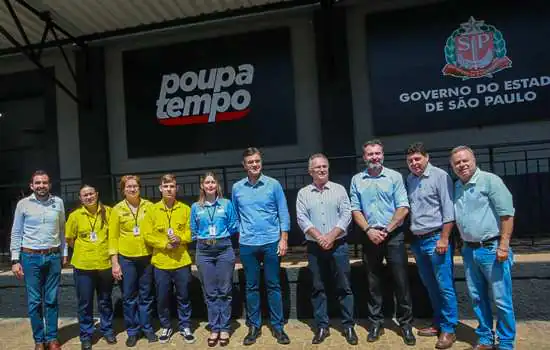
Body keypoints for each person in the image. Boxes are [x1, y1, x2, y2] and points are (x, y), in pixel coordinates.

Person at [350, 139, 416, 346]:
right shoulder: (356, 180)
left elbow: (403, 207)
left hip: (393, 235)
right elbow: (355, 209)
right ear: (364, 157)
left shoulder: (395, 177)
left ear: (383, 155)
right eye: (370, 154)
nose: (374, 157)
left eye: (377, 153)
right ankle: (376, 322)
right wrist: (369, 230)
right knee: (373, 282)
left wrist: (387, 230)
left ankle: (405, 324)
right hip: (369, 236)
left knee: (401, 281)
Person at [450, 145, 516, 350]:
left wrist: (504, 246)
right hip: (469, 251)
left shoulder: (490, 181)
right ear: (452, 167)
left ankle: (505, 343)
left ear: (474, 160)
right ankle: (486, 338)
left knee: (502, 300)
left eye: (465, 160)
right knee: (477, 298)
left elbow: (507, 214)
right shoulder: (457, 186)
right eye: (457, 163)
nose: (462, 165)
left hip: (492, 249)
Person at [231, 147, 291, 346]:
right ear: (244, 165)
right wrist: (241, 235)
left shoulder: (273, 185)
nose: (254, 165)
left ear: (261, 162)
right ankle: (254, 326)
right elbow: (235, 216)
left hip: (271, 242)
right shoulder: (237, 188)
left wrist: (284, 239)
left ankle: (278, 326)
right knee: (251, 286)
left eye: (257, 161)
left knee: (273, 285)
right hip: (248, 244)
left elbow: (283, 213)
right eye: (250, 162)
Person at [296, 153, 357, 345]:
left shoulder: (339, 190)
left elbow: (346, 215)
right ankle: (322, 326)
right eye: (317, 167)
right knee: (318, 287)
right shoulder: (303, 193)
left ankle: (348, 326)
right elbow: (302, 218)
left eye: (325, 166)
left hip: (338, 245)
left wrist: (330, 236)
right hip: (315, 246)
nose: (322, 170)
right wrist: (319, 237)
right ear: (310, 171)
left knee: (344, 286)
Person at [405, 142, 458, 349]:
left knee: (444, 285)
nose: (414, 163)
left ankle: (449, 329)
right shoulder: (410, 179)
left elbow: (448, 210)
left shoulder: (440, 176)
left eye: (418, 159)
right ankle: (438, 322)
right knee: (430, 284)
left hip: (437, 239)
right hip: (419, 241)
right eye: (410, 161)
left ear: (427, 158)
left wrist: (444, 238)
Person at [10, 170, 68, 350]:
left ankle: (51, 338)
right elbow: (16, 232)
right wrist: (14, 259)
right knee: (34, 301)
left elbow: (62, 230)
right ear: (31, 185)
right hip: (30, 257)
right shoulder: (23, 204)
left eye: (44, 182)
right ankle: (39, 340)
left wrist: (64, 252)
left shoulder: (57, 202)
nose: (41, 186)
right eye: (38, 183)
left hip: (52, 256)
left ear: (49, 185)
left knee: (51, 299)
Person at [141, 174, 195, 345]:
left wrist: (181, 239)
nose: (169, 189)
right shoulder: (152, 210)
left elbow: (192, 231)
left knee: (184, 295)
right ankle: (166, 325)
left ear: (177, 188)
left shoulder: (186, 209)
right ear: (160, 188)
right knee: (162, 296)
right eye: (166, 186)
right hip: (161, 262)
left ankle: (185, 325)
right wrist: (164, 244)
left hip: (181, 261)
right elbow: (147, 235)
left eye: (172, 186)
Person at [108, 175, 157, 347]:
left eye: (135, 186)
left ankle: (147, 327)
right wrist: (115, 262)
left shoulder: (149, 206)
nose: (132, 189)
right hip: (126, 258)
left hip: (146, 257)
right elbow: (112, 237)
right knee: (129, 296)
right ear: (123, 190)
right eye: (128, 186)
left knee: (146, 295)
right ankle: (132, 331)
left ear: (139, 188)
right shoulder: (117, 210)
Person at [191, 172, 239, 347]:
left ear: (217, 184)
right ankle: (214, 327)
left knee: (224, 291)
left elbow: (234, 225)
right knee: (210, 292)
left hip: (224, 248)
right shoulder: (196, 207)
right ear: (202, 186)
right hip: (204, 250)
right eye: (206, 182)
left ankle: (225, 327)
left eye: (213, 182)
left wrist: (219, 235)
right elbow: (193, 229)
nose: (210, 185)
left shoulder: (226, 204)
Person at [65, 185, 116, 350]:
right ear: (81, 199)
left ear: (97, 194)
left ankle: (107, 330)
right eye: (85, 195)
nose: (88, 197)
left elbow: (113, 236)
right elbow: (70, 239)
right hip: (83, 266)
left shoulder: (109, 212)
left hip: (104, 264)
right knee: (85, 302)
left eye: (91, 194)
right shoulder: (75, 216)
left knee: (105, 300)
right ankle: (86, 335)